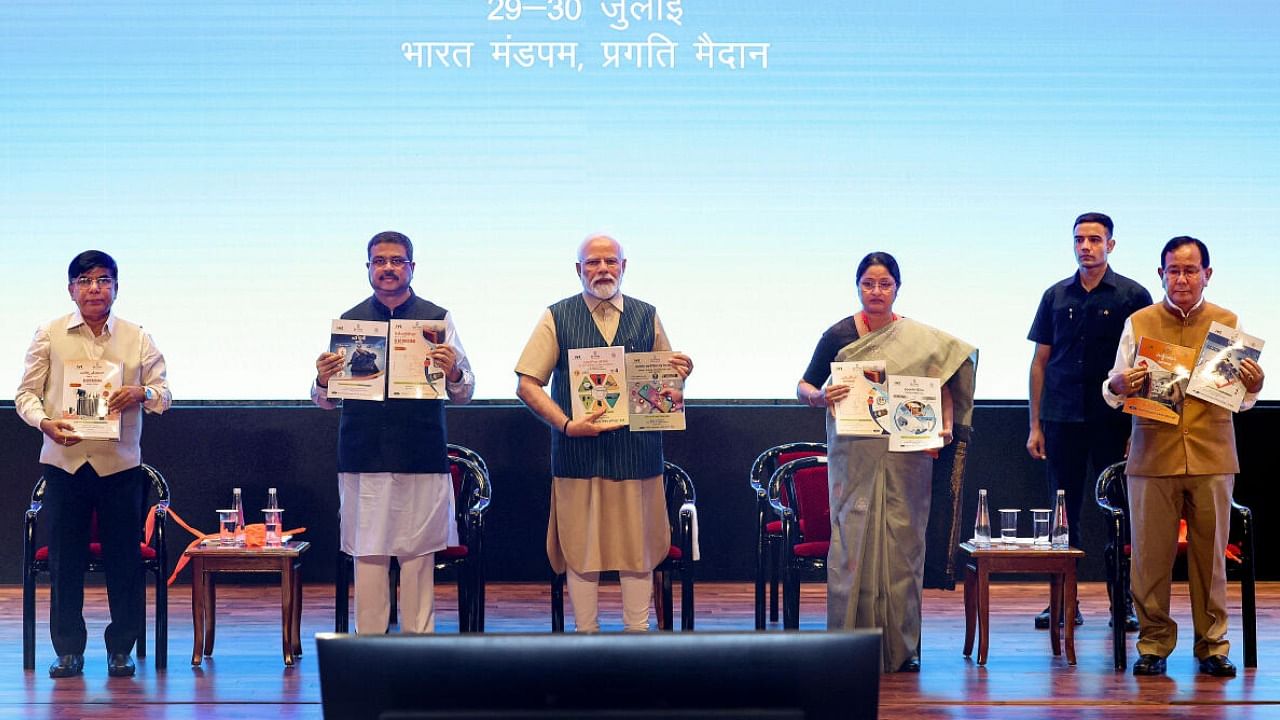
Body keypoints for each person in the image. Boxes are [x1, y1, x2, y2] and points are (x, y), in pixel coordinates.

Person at [796, 251, 976, 673]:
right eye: (868, 284)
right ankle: (847, 645)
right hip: (855, 453)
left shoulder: (922, 340)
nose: (876, 292)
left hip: (908, 456)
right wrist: (819, 397)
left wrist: (944, 426)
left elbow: (948, 380)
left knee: (903, 546)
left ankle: (903, 647)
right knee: (851, 545)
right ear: (857, 286)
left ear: (897, 287)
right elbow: (802, 385)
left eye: (885, 284)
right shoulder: (839, 334)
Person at [515, 233, 693, 632]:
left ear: (624, 266)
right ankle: (586, 636)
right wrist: (565, 424)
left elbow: (662, 385)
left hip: (638, 453)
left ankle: (637, 635)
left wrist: (678, 373)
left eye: (610, 262)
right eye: (592, 263)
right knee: (581, 549)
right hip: (578, 455)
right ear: (578, 270)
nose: (602, 270)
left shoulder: (647, 315)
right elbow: (527, 384)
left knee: (639, 550)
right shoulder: (556, 316)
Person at [1103, 236, 1263, 678]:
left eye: (1191, 270)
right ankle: (1153, 643)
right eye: (1173, 270)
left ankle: (1212, 645)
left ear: (1207, 275)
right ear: (1161, 275)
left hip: (1212, 455)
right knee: (1149, 558)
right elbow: (1113, 386)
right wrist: (1120, 386)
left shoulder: (1226, 322)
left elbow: (1240, 399)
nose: (1182, 278)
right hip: (1152, 455)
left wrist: (1254, 385)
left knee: (1210, 559)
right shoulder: (1139, 321)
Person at [15, 251, 172, 678]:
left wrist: (141, 394)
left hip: (119, 467)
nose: (95, 288)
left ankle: (121, 649)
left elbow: (164, 395)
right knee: (65, 562)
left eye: (104, 280)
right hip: (65, 465)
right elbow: (25, 395)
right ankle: (68, 650)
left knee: (125, 562)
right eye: (84, 281)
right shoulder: (49, 334)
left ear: (116, 287)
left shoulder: (138, 337)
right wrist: (45, 421)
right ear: (71, 290)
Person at [313, 231, 474, 634]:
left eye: (397, 260)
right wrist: (321, 380)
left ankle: (419, 655)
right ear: (367, 268)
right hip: (363, 456)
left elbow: (465, 391)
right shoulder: (350, 323)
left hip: (420, 454)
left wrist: (452, 370)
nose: (388, 267)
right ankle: (369, 653)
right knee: (368, 558)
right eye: (379, 261)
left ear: (411, 267)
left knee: (418, 560)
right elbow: (324, 400)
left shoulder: (437, 318)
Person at [1026, 212, 1152, 629]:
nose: (1086, 246)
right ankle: (1063, 602)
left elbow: (1146, 370)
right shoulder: (1054, 295)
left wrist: (1137, 428)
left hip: (1112, 421)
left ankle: (1124, 605)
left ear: (1111, 245)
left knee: (1118, 514)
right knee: (1062, 515)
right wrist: (1035, 425)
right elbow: (1040, 362)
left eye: (1095, 239)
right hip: (1060, 419)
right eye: (1079, 239)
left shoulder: (1132, 296)